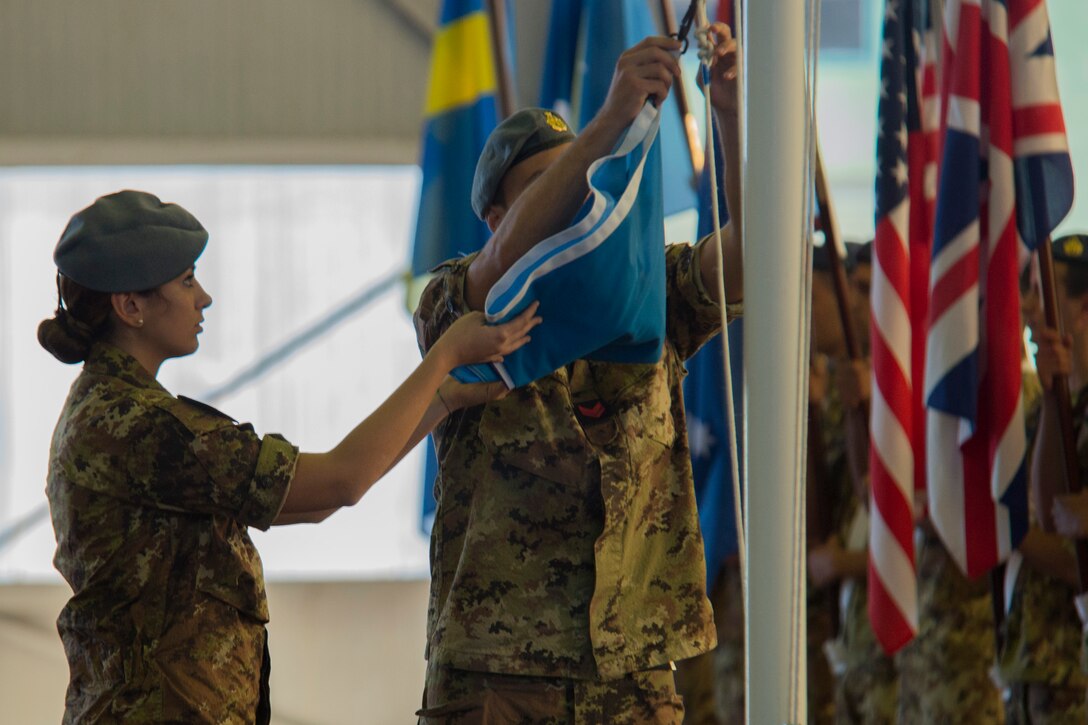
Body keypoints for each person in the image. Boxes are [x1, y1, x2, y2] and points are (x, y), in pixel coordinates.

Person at [38, 190, 541, 724]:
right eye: (186, 281)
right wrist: (444, 358)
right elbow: (337, 482)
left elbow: (315, 503)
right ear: (130, 306)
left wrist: (441, 400)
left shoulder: (112, 412)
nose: (203, 298)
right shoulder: (140, 428)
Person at [412, 27, 743, 723]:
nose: (578, 198)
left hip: (633, 668)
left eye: (580, 181)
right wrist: (599, 133)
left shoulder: (643, 292)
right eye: (549, 188)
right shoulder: (458, 305)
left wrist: (732, 117)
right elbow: (498, 260)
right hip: (497, 675)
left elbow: (747, 257)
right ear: (499, 214)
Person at [807, 242, 900, 725]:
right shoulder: (840, 387)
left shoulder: (897, 392)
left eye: (866, 289)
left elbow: (909, 517)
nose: (860, 302)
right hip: (852, 629)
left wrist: (843, 563)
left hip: (896, 641)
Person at [1002, 233, 1088, 723]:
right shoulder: (1044, 408)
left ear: (1083, 308)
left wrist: (1007, 533)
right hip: (1035, 662)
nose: (1031, 310)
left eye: (1045, 293)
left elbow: (1067, 552)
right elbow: (1054, 517)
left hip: (1073, 672)